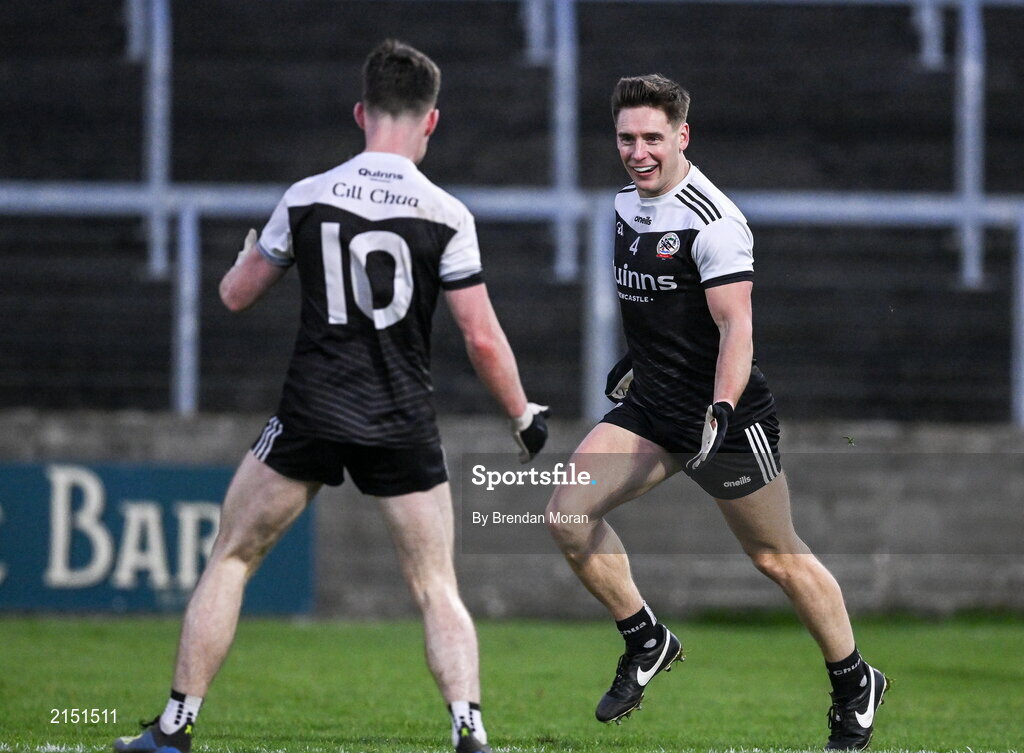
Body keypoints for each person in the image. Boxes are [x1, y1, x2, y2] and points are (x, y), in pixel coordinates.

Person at [113, 39, 548, 753]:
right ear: (431, 121)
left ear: (361, 112)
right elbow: (483, 338)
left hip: (312, 409)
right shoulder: (447, 214)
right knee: (437, 583)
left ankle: (174, 729)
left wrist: (243, 257)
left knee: (230, 557)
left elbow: (235, 295)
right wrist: (522, 414)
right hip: (401, 416)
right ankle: (470, 734)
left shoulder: (308, 195)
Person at [544, 74, 888, 751]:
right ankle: (647, 639)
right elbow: (664, 306)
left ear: (682, 135)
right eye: (625, 138)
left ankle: (855, 683)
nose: (637, 151)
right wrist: (639, 358)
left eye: (651, 138)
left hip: (722, 417)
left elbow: (737, 330)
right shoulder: (622, 205)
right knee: (564, 512)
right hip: (652, 407)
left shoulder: (713, 219)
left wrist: (723, 411)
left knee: (775, 556)